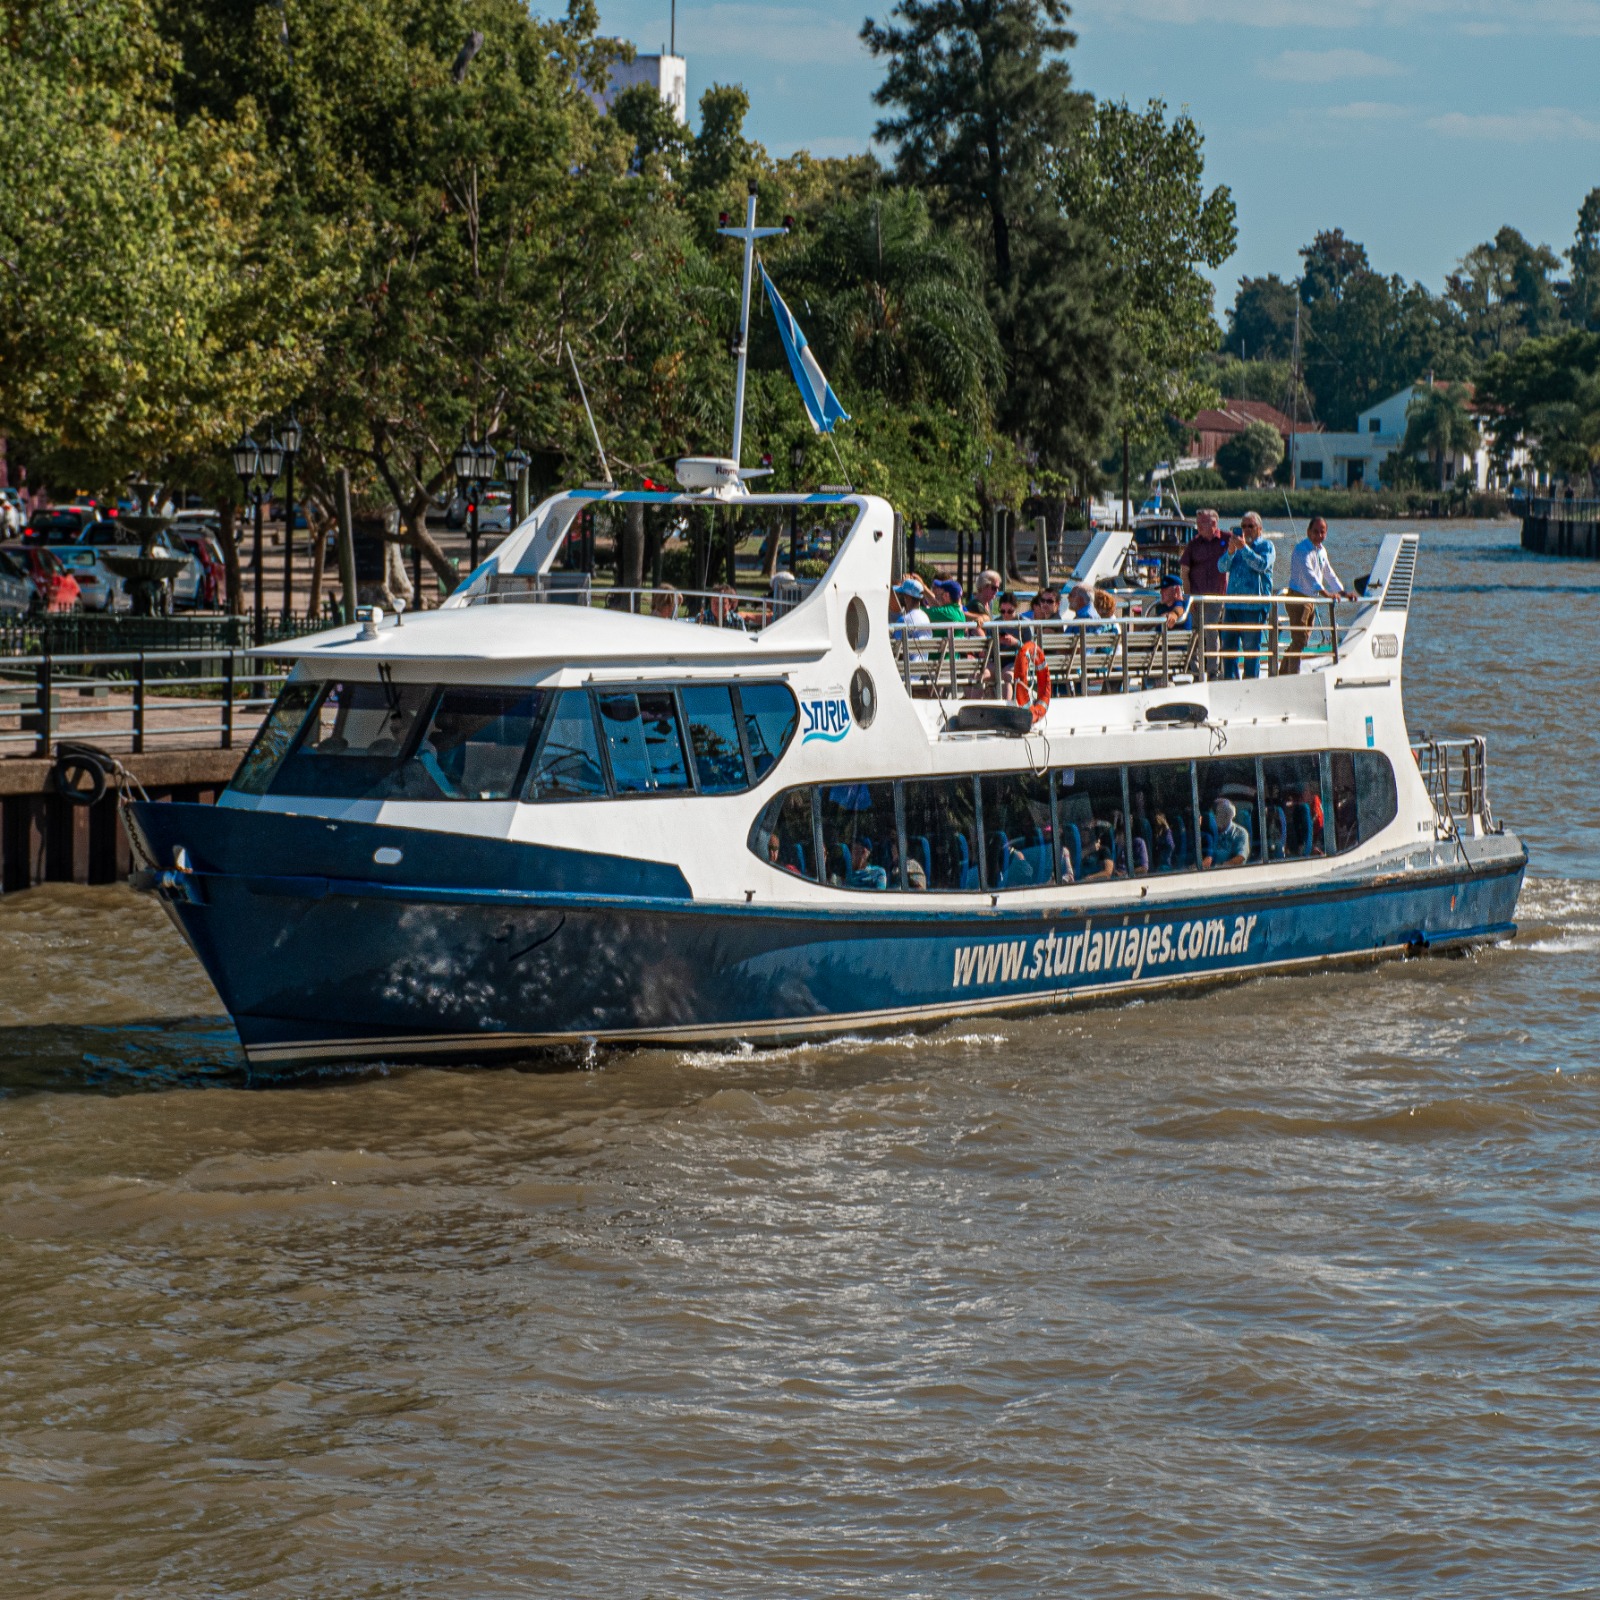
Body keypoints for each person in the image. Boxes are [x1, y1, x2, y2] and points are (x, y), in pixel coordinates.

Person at [1283, 517, 1356, 673]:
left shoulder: (1322, 551)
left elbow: (1329, 573)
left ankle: (1283, 670)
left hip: (1311, 599)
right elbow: (1309, 575)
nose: (1319, 535)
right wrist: (1326, 593)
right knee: (1299, 639)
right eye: (1315, 531)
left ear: (1326, 534)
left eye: (1322, 532)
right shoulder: (1301, 549)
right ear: (1308, 532)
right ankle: (1291, 674)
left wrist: (1341, 591)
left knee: (1303, 639)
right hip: (1298, 598)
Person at [1216, 512, 1275, 679]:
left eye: (1251, 526)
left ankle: (1250, 682)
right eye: (1243, 526)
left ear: (1259, 529)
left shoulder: (1266, 546)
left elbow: (1261, 565)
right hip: (1232, 606)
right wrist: (1230, 552)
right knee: (1228, 649)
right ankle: (1230, 681)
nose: (1246, 530)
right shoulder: (1236, 548)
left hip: (1253, 607)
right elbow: (1221, 567)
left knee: (1250, 650)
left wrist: (1244, 549)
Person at [1180, 508, 1226, 671]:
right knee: (1194, 634)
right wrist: (1187, 597)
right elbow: (1184, 571)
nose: (1198, 527)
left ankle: (1213, 669)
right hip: (1196, 597)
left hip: (1216, 597)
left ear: (1213, 523)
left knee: (1211, 632)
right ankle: (1195, 669)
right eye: (1197, 523)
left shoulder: (1227, 540)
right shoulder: (1194, 544)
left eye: (1202, 523)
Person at [1202, 797, 1250, 868]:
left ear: (1229, 815)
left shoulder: (1240, 833)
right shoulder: (1208, 832)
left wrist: (1218, 868)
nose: (1214, 817)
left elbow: (1240, 858)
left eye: (1218, 813)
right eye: (1213, 813)